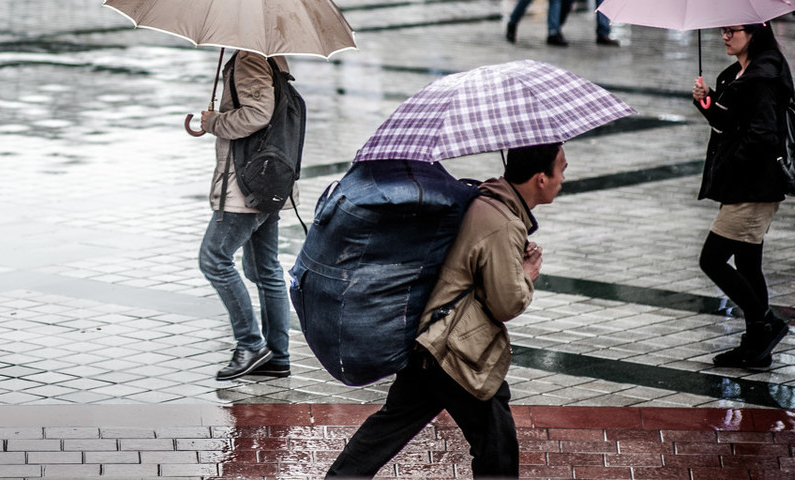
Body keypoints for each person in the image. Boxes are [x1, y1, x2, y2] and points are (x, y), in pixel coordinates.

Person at [326, 143, 565, 479]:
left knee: (392, 424)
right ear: (541, 178)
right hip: (456, 348)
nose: (564, 178)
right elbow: (505, 303)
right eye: (562, 169)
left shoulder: (486, 201)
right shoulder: (503, 221)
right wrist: (525, 275)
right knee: (496, 442)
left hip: (429, 336)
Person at [691, 23, 793, 369]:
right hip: (743, 185)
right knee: (749, 265)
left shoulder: (762, 76)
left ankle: (766, 323)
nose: (725, 36)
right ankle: (757, 347)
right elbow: (727, 125)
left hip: (754, 186)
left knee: (712, 260)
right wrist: (706, 102)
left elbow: (762, 135)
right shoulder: (738, 72)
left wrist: (733, 164)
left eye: (733, 30)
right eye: (723, 30)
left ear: (754, 33)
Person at [198, 51, 292, 381]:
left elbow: (257, 114)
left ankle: (251, 344)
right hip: (268, 180)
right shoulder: (272, 56)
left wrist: (214, 122)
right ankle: (278, 356)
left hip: (245, 185)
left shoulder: (250, 58)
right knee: (264, 269)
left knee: (214, 258)